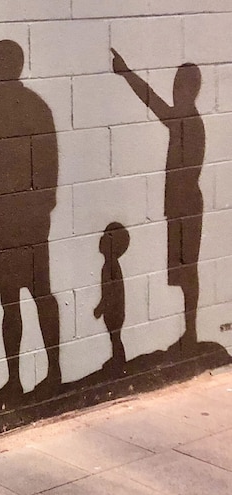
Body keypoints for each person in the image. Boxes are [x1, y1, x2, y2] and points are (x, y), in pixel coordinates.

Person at [0, 39, 62, 404]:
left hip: (27, 217)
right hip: (5, 218)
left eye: (0, 60)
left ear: (15, 66)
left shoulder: (31, 108)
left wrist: (38, 208)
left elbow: (48, 166)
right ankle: (15, 379)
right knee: (11, 300)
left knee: (39, 292)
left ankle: (52, 372)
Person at [112, 49, 204, 350]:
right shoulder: (186, 119)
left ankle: (190, 332)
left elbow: (152, 101)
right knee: (184, 270)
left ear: (191, 90)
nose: (175, 90)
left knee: (188, 269)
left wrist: (126, 73)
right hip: (180, 205)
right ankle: (189, 332)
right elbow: (155, 101)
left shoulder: (188, 121)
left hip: (186, 205)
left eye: (180, 85)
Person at [94, 223, 130, 373]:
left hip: (114, 311)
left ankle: (119, 360)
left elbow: (110, 291)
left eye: (106, 238)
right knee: (114, 336)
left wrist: (101, 307)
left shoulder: (110, 266)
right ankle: (117, 358)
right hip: (114, 310)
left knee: (115, 337)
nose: (101, 240)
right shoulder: (110, 265)